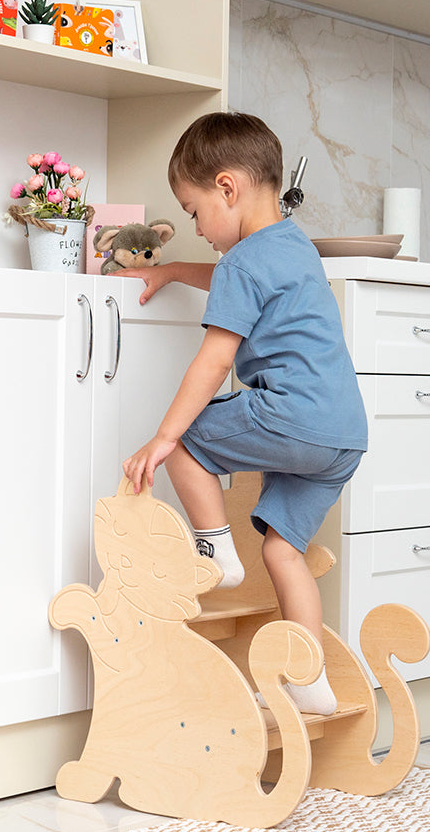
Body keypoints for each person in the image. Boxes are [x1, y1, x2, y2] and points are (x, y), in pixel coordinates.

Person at [119, 112, 367, 715]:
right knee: (284, 553)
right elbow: (238, 279)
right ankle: (310, 684)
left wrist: (162, 436)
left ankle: (215, 555)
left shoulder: (242, 263)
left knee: (183, 448)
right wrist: (175, 270)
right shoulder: (291, 246)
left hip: (291, 416)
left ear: (226, 188)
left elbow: (213, 360)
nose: (196, 227)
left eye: (194, 210)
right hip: (342, 436)